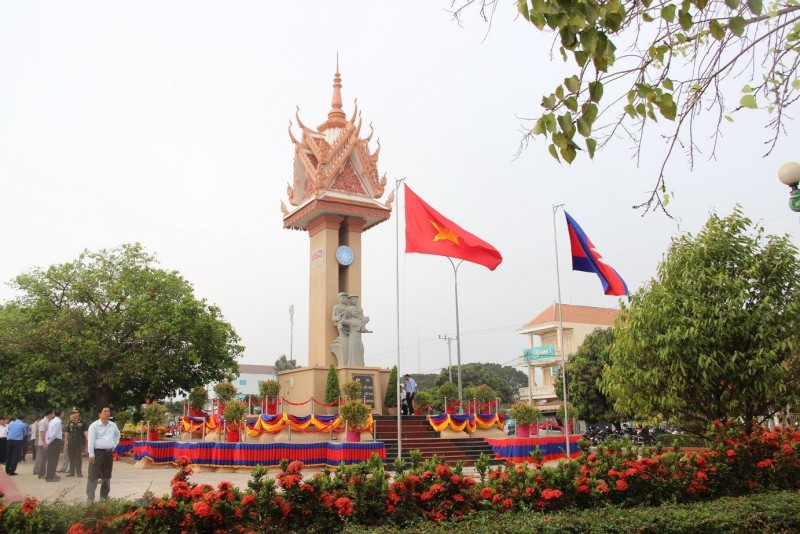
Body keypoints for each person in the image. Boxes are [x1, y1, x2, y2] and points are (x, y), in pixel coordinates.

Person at [87, 406, 120, 502]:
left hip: (108, 453)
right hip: (97, 453)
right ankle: (90, 498)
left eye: (109, 411)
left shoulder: (113, 425)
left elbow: (117, 435)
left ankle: (104, 497)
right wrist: (91, 454)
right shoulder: (94, 425)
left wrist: (114, 445)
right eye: (105, 411)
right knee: (93, 474)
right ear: (100, 414)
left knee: (107, 475)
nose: (107, 413)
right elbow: (91, 440)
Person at [65, 408, 88, 477]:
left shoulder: (82, 422)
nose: (73, 414)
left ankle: (79, 472)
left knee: (78, 457)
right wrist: (65, 441)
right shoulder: (69, 422)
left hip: (79, 442)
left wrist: (88, 440)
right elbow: (67, 432)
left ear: (78, 414)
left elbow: (85, 431)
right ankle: (72, 472)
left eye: (75, 413)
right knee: (71, 457)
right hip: (71, 441)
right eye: (72, 413)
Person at [44, 408, 64, 481]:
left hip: (51, 440)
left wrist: (46, 441)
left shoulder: (52, 421)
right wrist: (48, 443)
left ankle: (51, 474)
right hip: (55, 441)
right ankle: (50, 477)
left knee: (51, 459)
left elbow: (48, 432)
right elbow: (54, 434)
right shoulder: (58, 422)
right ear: (61, 413)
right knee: (53, 459)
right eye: (63, 412)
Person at [34, 410, 52, 478]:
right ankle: (41, 473)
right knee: (42, 458)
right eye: (52, 413)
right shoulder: (43, 422)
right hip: (43, 443)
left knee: (44, 458)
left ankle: (42, 472)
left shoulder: (47, 421)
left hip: (45, 442)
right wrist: (44, 442)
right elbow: (42, 433)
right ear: (49, 414)